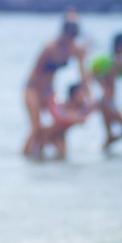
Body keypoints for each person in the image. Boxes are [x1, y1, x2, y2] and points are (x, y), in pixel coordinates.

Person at [22, 19, 88, 158]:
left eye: (73, 37)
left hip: (49, 90)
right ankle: (25, 158)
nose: (69, 40)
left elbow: (82, 70)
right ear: (63, 34)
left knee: (60, 125)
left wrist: (86, 91)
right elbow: (38, 72)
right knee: (35, 128)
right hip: (33, 89)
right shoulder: (50, 48)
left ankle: (50, 151)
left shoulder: (73, 48)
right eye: (68, 36)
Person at [94, 32, 122, 150]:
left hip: (109, 101)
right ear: (121, 45)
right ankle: (104, 150)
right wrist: (104, 86)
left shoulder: (115, 61)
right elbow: (92, 73)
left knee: (111, 134)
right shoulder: (111, 61)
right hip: (107, 101)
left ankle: (105, 154)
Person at [36, 82, 96, 160]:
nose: (83, 96)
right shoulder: (62, 106)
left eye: (84, 93)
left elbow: (86, 113)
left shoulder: (80, 109)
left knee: (62, 158)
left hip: (60, 135)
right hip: (46, 133)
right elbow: (59, 116)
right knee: (36, 157)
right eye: (81, 94)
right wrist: (74, 117)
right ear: (74, 96)